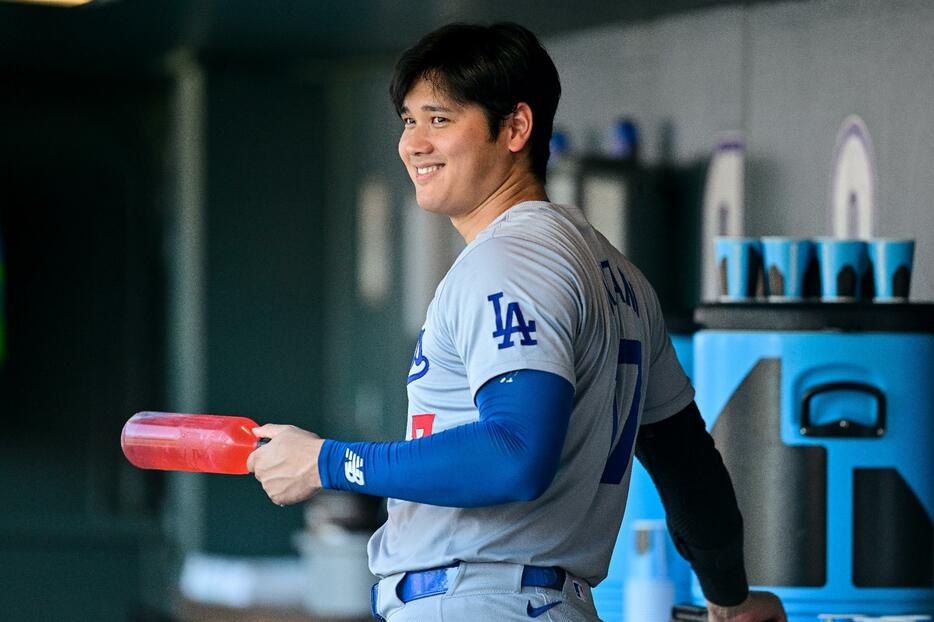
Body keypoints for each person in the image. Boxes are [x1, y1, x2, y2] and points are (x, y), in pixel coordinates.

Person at [248, 22, 787, 622]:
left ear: (516, 127)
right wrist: (729, 597)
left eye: (440, 119)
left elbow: (516, 452)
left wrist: (327, 462)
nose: (414, 144)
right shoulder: (620, 277)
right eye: (408, 121)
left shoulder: (511, 261)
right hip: (535, 600)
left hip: (482, 599)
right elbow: (687, 463)